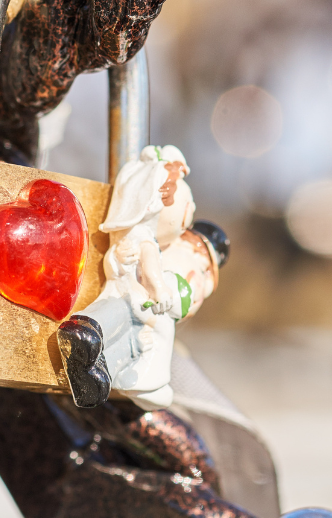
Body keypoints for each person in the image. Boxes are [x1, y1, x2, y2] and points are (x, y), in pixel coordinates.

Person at [58, 145, 223, 410]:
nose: (184, 226)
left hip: (131, 298)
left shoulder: (134, 238)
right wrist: (160, 292)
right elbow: (151, 274)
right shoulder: (146, 241)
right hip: (138, 300)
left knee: (131, 331)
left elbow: (122, 265)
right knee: (134, 325)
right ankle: (92, 338)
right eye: (185, 214)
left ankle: (97, 367)